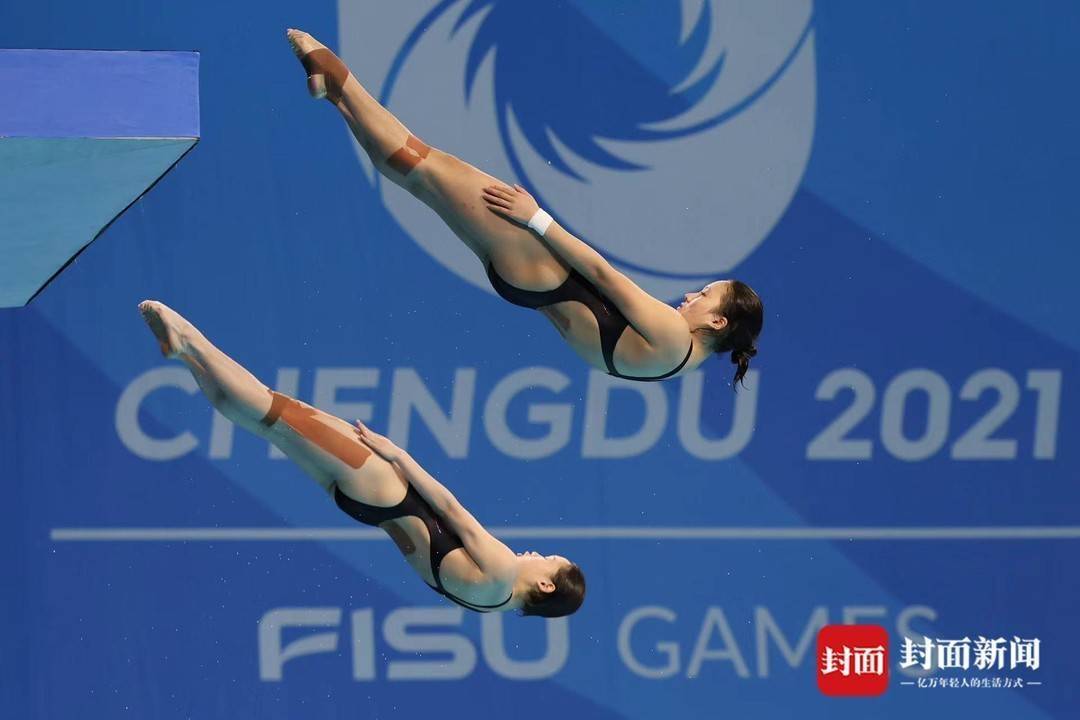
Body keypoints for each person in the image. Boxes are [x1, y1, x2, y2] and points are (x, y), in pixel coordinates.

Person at [287, 29, 763, 386]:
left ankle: (335, 72)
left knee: (423, 163)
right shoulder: (676, 366)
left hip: (537, 262)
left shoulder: (674, 335)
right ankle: (336, 95)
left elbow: (602, 273)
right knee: (419, 182)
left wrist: (535, 218)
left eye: (705, 295)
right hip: (528, 286)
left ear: (717, 321)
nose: (690, 296)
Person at [137, 300, 585, 617]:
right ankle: (188, 357)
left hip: (382, 485)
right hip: (365, 508)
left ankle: (189, 340)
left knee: (274, 408)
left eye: (548, 558)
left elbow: (451, 509)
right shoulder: (487, 605)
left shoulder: (503, 569)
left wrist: (398, 455)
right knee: (264, 424)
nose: (536, 552)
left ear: (546, 584)